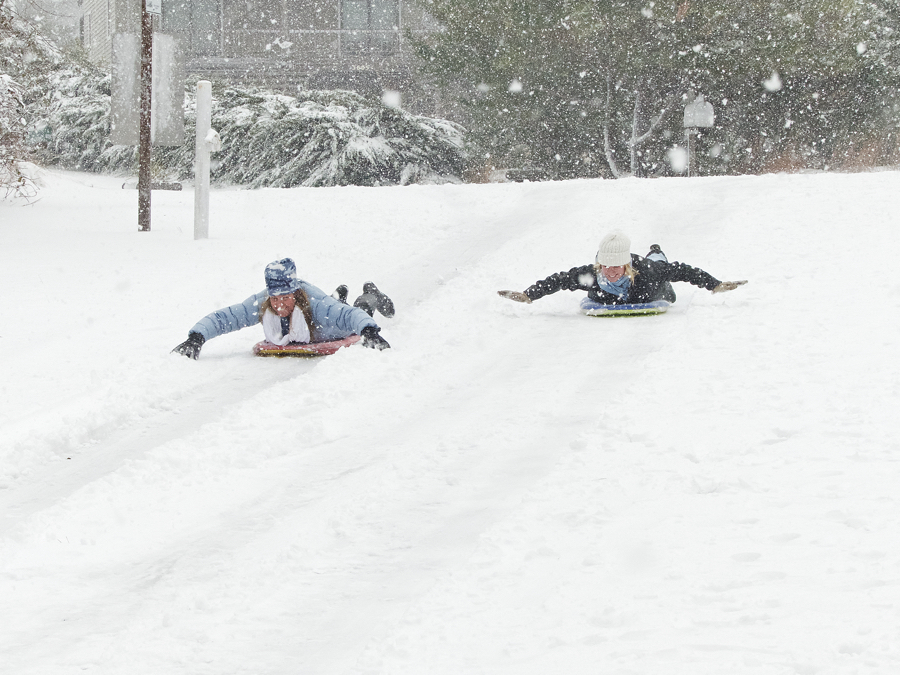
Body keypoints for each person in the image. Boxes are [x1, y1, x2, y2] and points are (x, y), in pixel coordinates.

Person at [172, 258, 393, 359]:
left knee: (358, 310)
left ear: (296, 294)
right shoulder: (264, 302)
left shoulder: (317, 305)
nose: (279, 304)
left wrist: (369, 331)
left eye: (285, 298)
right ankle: (338, 295)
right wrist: (196, 337)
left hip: (339, 328)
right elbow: (228, 316)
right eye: (274, 298)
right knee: (336, 305)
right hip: (328, 310)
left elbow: (349, 316)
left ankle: (370, 294)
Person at [498, 230, 746, 306]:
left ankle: (656, 249)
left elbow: (684, 271)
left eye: (617, 267)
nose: (611, 272)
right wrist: (529, 294)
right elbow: (560, 279)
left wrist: (715, 284)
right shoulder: (592, 275)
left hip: (656, 287)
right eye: (606, 266)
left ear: (626, 266)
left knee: (661, 262)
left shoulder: (647, 272)